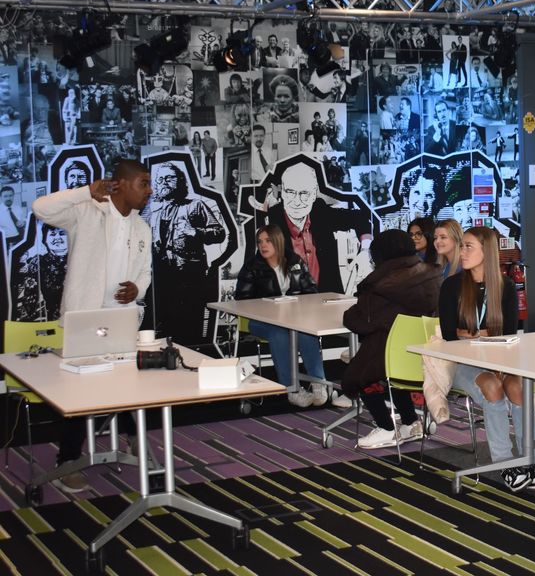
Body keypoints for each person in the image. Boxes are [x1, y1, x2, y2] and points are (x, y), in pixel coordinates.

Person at [32, 159, 153, 493]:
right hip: (84, 317)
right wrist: (85, 191)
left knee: (129, 384)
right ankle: (67, 460)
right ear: (122, 184)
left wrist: (137, 289)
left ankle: (133, 440)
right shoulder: (87, 210)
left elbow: (146, 272)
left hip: (121, 318)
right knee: (78, 392)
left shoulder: (142, 227)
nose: (149, 190)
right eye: (143, 183)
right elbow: (40, 208)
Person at [440, 227, 535, 491]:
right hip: (463, 361)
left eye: (468, 247)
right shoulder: (452, 286)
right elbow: (450, 334)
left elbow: (507, 334)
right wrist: (482, 334)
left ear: (485, 251)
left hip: (499, 358)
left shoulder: (505, 287)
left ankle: (531, 461)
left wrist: (473, 334)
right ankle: (505, 462)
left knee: (518, 386)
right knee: (492, 387)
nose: (461, 252)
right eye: (461, 246)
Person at [342, 230, 442, 448]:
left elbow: (358, 321)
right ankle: (410, 422)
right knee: (389, 369)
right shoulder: (433, 275)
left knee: (363, 374)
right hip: (425, 355)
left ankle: (387, 428)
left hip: (391, 358)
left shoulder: (379, 286)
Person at [235, 225, 329, 408]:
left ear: (278, 241)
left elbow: (311, 290)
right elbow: (242, 299)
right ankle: (292, 388)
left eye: (267, 241)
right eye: (260, 242)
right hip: (260, 322)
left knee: (305, 332)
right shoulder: (252, 267)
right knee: (279, 333)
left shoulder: (294, 261)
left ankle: (319, 383)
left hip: (293, 319)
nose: (263, 245)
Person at [151, 162, 226, 344]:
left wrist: (196, 232)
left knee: (191, 331)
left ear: (180, 181)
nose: (164, 182)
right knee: (166, 331)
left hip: (190, 280)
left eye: (170, 178)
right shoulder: (154, 212)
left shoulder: (196, 205)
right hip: (163, 282)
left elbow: (220, 233)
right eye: (160, 179)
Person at [265, 162, 370, 293]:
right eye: (290, 192)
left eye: (304, 194)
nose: (297, 201)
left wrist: (365, 250)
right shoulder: (273, 219)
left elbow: (360, 218)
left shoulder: (320, 212)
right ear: (283, 192)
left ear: (314, 194)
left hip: (327, 300)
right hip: (289, 304)